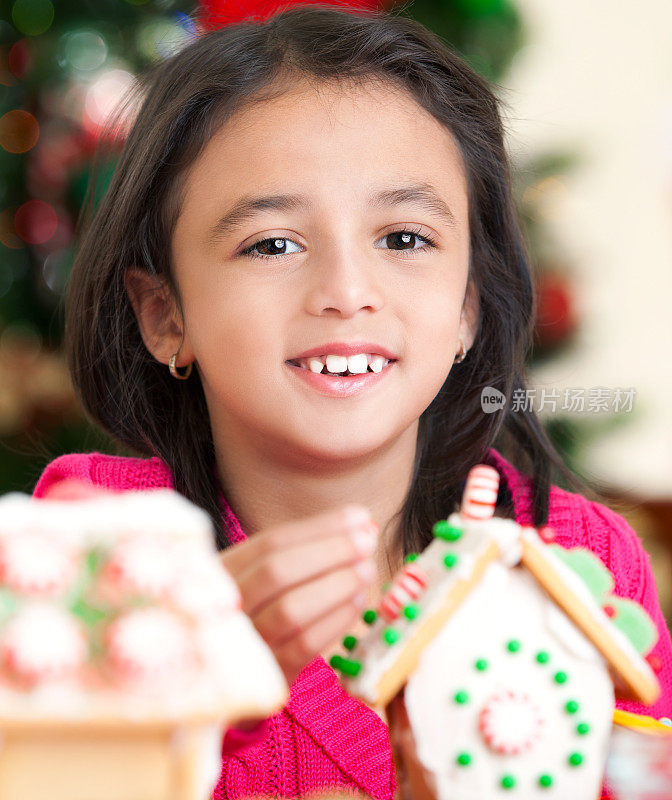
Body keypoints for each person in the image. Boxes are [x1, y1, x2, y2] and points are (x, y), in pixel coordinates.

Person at [31, 4, 672, 798]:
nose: (345, 292)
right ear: (165, 315)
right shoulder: (94, 550)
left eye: (404, 238)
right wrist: (195, 679)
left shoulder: (585, 564)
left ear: (469, 304)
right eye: (272, 244)